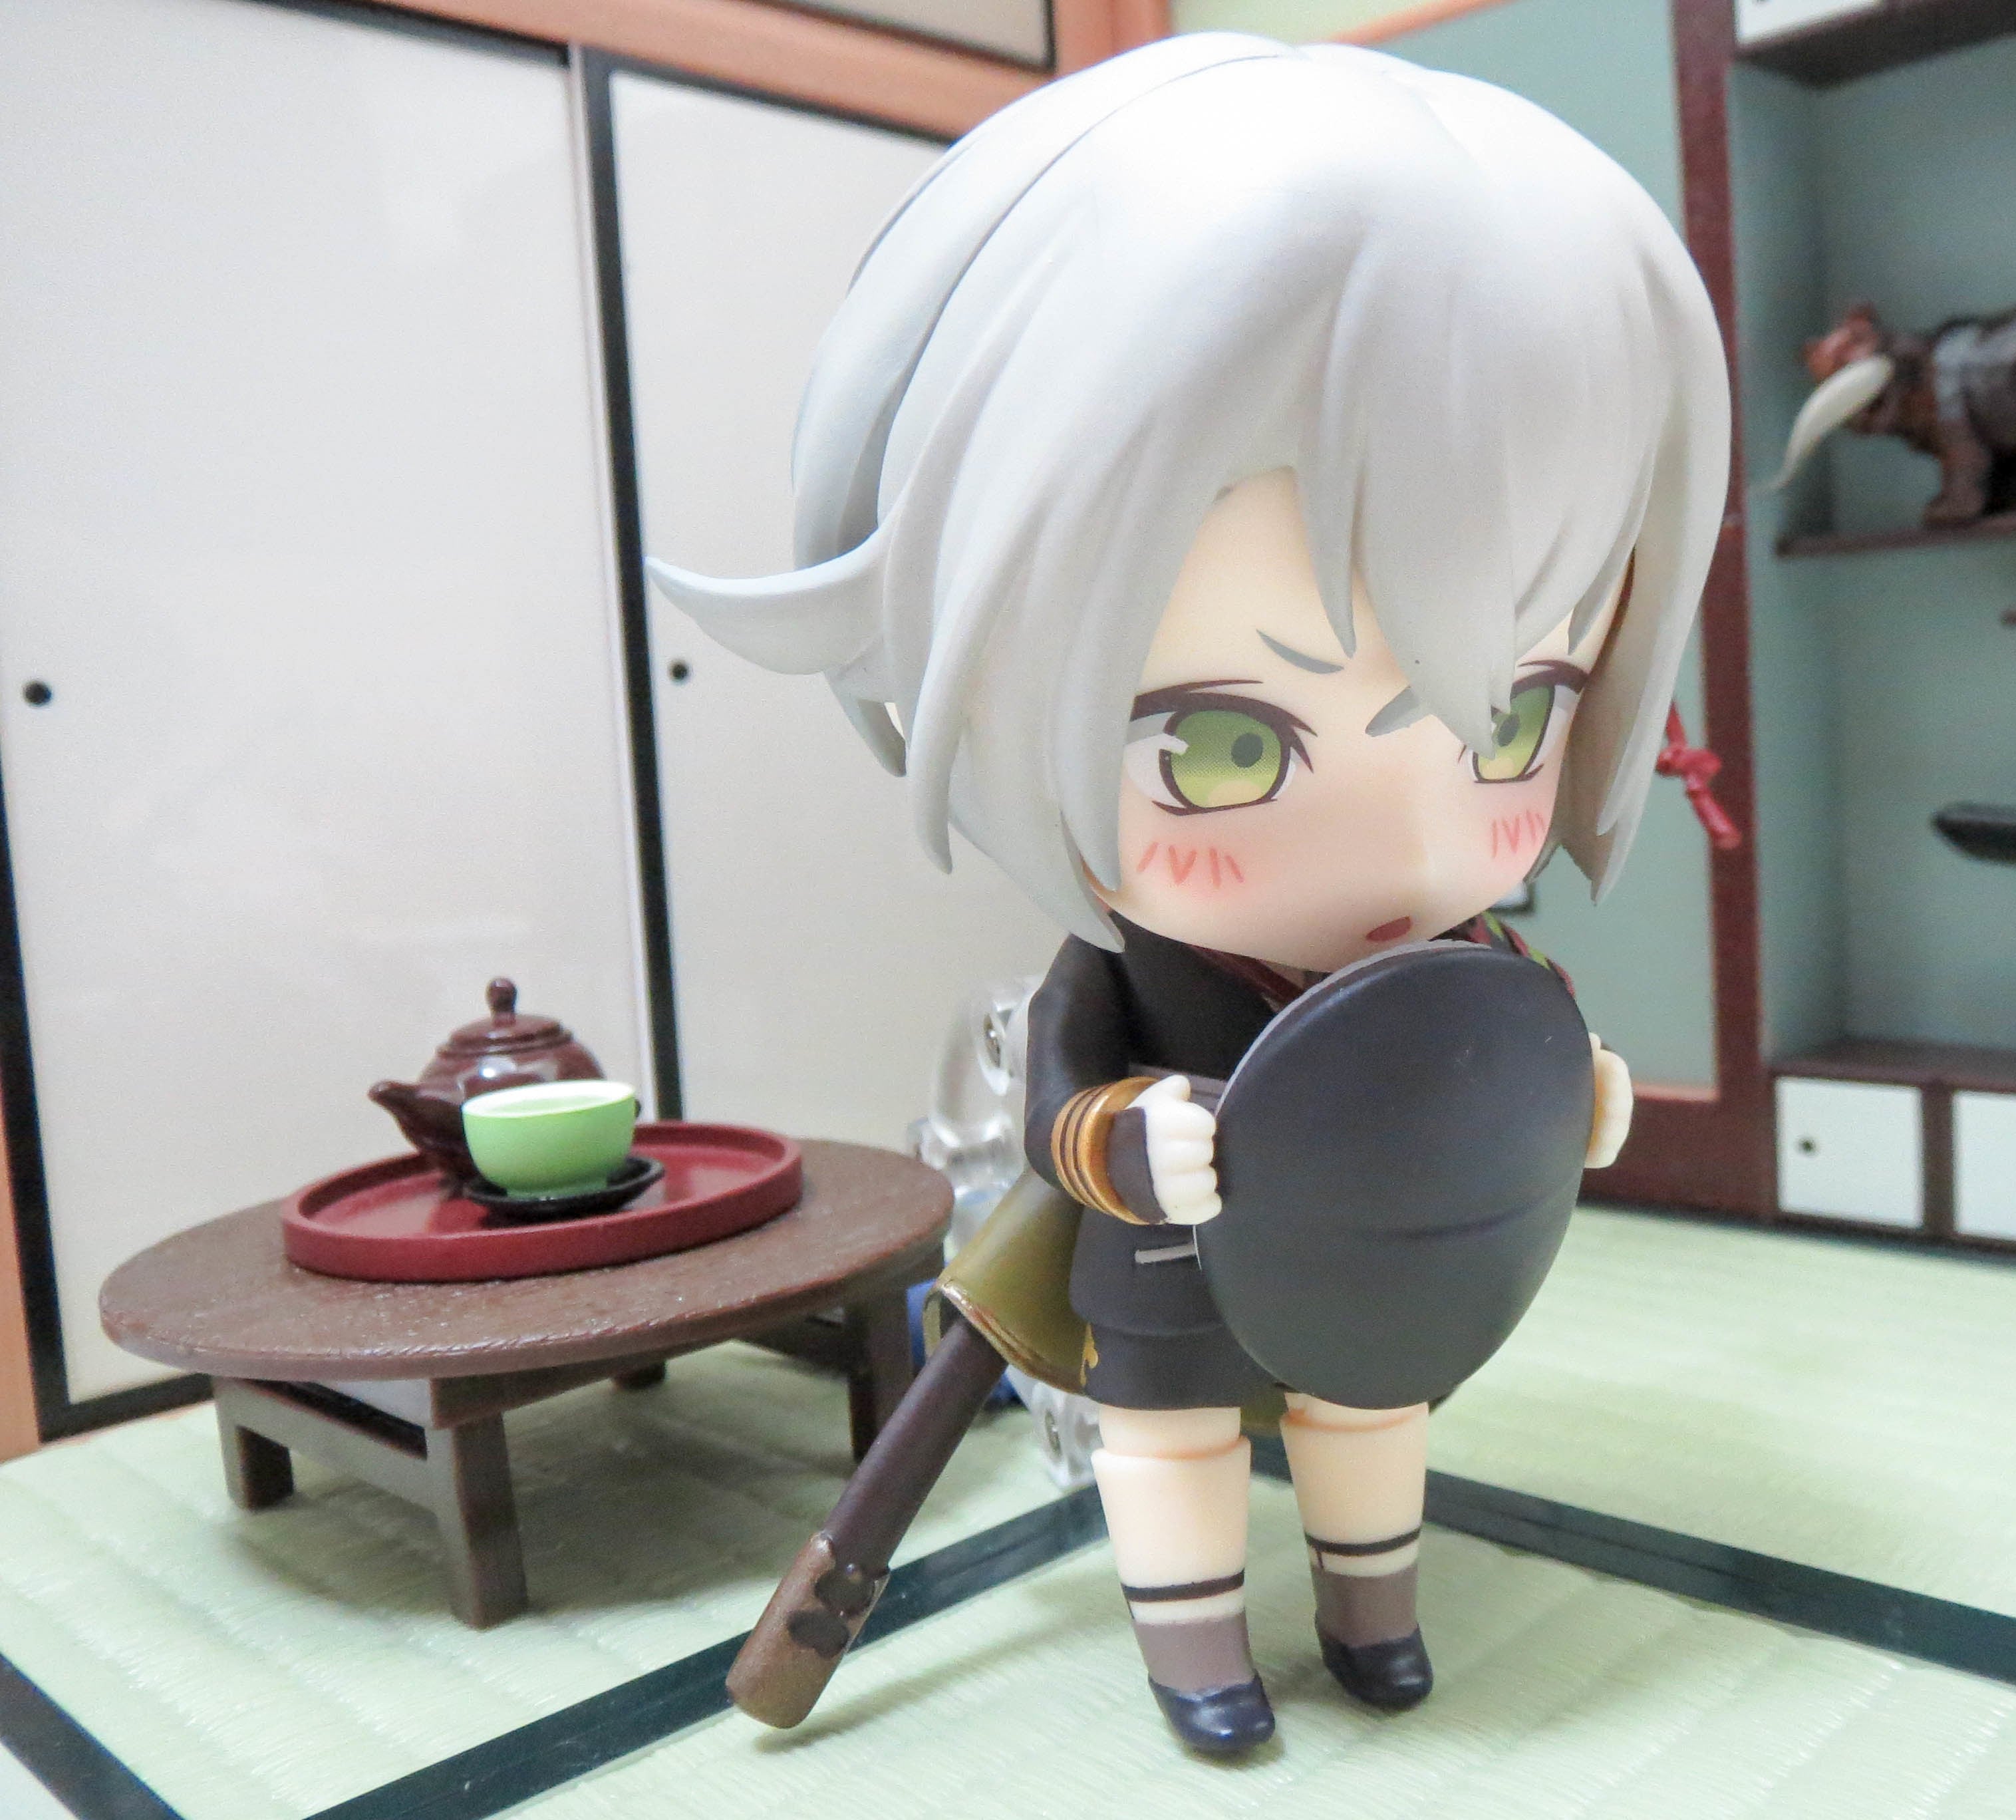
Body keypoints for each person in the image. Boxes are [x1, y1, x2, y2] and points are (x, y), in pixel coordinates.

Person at [648, 31, 1729, 1757]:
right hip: (1165, 1261)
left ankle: (1375, 1614)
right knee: (1173, 1449)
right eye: (1230, 748)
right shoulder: (1129, 964)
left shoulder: (1448, 941)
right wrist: (1123, 1137)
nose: (1406, 855)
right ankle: (1199, 1656)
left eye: (1513, 721)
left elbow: (1504, 1036)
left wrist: (1566, 1088)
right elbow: (1063, 1089)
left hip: (1377, 1260)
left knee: (1374, 1422)